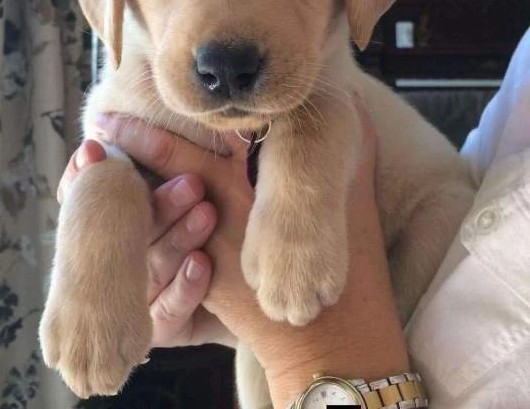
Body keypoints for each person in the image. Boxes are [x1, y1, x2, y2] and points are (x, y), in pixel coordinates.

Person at [58, 28, 530, 409]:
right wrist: (234, 314)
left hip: (405, 250)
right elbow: (111, 147)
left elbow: (346, 120)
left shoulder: (317, 83)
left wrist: (312, 343)